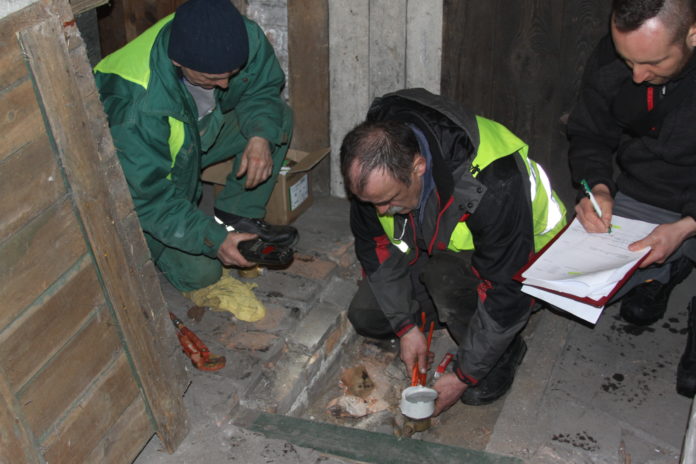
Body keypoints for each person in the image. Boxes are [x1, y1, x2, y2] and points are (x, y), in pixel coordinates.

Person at [340, 88, 567, 415]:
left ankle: (504, 348)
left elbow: (506, 288)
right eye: (372, 203)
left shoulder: (494, 181)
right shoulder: (375, 163)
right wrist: (406, 327)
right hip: (435, 248)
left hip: (525, 264)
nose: (382, 211)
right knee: (369, 315)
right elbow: (376, 251)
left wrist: (463, 374)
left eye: (388, 200)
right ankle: (446, 317)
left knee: (443, 277)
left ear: (418, 166)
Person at [94, 0, 296, 292]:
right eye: (212, 78)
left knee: (277, 120)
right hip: (145, 179)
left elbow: (262, 88)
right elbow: (149, 199)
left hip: (194, 137)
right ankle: (194, 239)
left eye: (233, 73)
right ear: (178, 61)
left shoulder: (241, 36)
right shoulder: (136, 108)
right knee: (202, 274)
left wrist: (260, 137)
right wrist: (214, 240)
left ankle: (237, 215)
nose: (225, 85)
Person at [566, 0, 696, 397]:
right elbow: (589, 132)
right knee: (572, 282)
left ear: (693, 35)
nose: (638, 76)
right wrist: (597, 187)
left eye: (653, 62)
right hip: (646, 187)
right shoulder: (616, 56)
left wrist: (686, 227)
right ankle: (666, 271)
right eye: (628, 61)